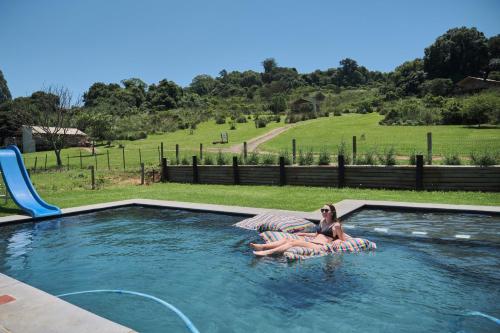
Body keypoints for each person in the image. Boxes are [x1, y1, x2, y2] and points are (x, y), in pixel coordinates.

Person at [250, 203, 351, 257]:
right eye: (322, 210)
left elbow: (343, 239)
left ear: (332, 212)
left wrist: (338, 240)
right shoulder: (322, 221)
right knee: (287, 240)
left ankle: (267, 252)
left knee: (292, 243)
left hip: (320, 246)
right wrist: (302, 233)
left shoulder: (336, 225)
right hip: (313, 242)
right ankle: (262, 246)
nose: (323, 212)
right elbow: (316, 235)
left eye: (326, 210)